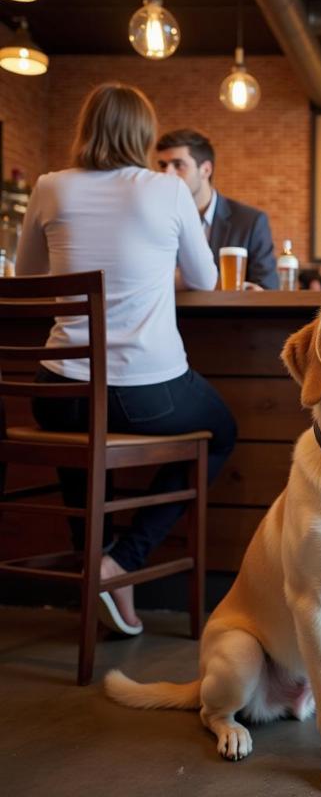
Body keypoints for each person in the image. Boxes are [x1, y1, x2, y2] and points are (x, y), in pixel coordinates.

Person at [16, 83, 237, 637]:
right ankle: (123, 562)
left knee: (85, 439)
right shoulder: (166, 189)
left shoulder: (49, 187)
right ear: (143, 132)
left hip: (57, 393)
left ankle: (98, 562)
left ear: (84, 128)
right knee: (223, 430)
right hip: (147, 396)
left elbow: (26, 277)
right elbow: (207, 280)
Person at [155, 129, 278, 290]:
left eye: (178, 165)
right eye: (163, 165)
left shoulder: (250, 221)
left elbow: (267, 289)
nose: (167, 173)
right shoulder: (156, 219)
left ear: (206, 170)